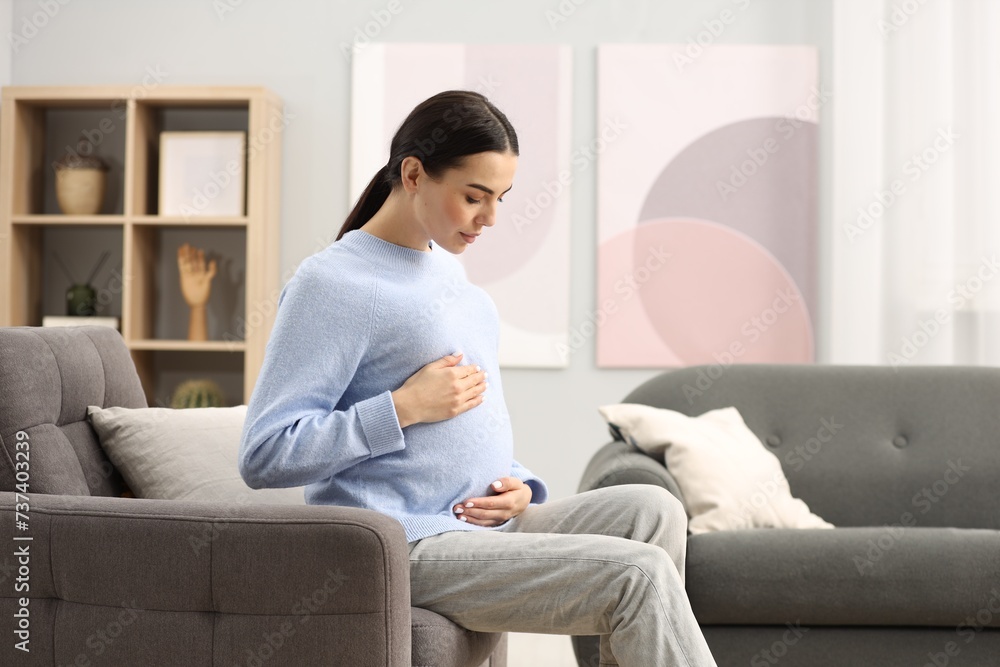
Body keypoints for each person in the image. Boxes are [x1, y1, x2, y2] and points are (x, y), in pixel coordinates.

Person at [238, 90, 718, 667]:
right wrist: (402, 408)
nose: (491, 219)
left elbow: (472, 417)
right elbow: (265, 454)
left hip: (479, 524)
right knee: (638, 573)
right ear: (413, 174)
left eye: (500, 198)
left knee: (654, 508)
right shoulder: (333, 285)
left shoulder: (450, 276)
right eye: (474, 197)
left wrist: (517, 485)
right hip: (404, 541)